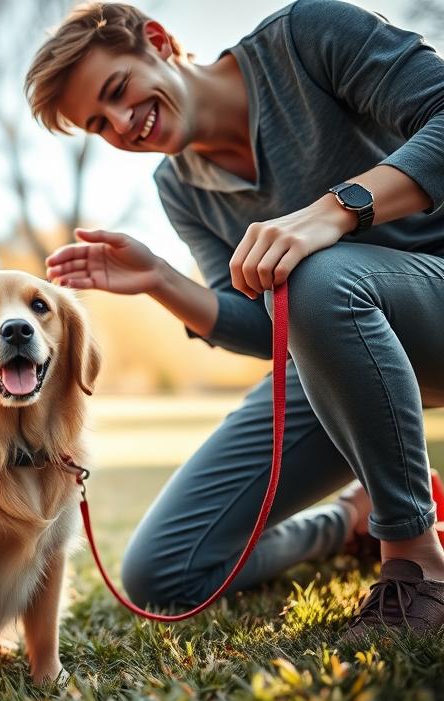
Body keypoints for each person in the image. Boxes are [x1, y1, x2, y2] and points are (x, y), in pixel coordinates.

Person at [24, 0, 444, 638]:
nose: (121, 124)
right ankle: (346, 523)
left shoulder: (307, 39)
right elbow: (269, 329)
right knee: (163, 571)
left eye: (117, 90)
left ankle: (416, 562)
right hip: (340, 352)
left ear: (158, 41)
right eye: (98, 124)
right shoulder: (180, 187)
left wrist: (333, 212)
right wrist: (163, 281)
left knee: (313, 273)